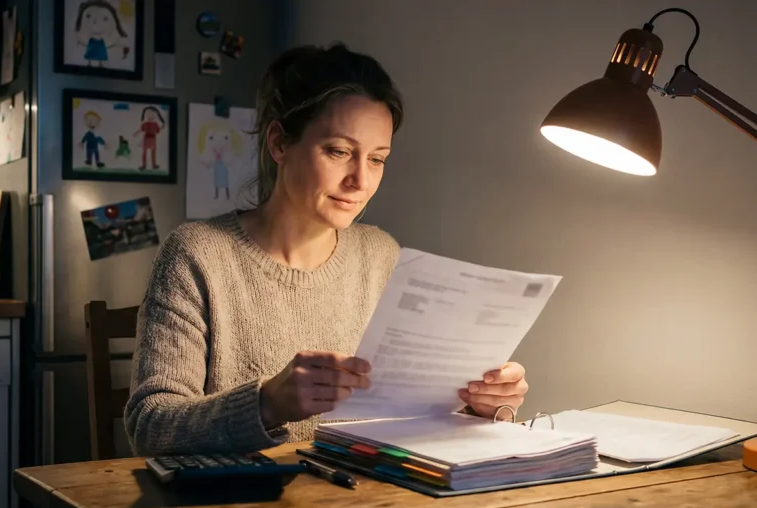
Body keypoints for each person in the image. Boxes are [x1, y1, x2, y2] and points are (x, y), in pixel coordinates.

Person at [124, 43, 529, 456]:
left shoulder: (381, 255)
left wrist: (482, 405)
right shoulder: (198, 255)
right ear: (280, 143)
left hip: (365, 507)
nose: (360, 180)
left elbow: (412, 422)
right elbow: (151, 427)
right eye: (339, 152)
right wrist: (267, 403)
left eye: (377, 159)